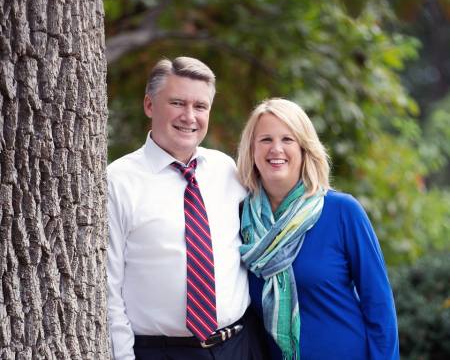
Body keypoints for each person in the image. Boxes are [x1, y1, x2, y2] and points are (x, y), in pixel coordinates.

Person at [107, 57, 267, 360]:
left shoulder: (226, 170)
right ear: (150, 106)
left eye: (201, 106)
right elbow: (108, 289)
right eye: (178, 103)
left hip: (240, 345)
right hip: (162, 352)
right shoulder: (118, 182)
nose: (189, 116)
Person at [237, 98, 400, 360]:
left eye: (287, 139)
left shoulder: (342, 211)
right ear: (251, 150)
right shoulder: (241, 220)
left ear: (304, 149)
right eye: (265, 140)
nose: (276, 149)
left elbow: (379, 305)